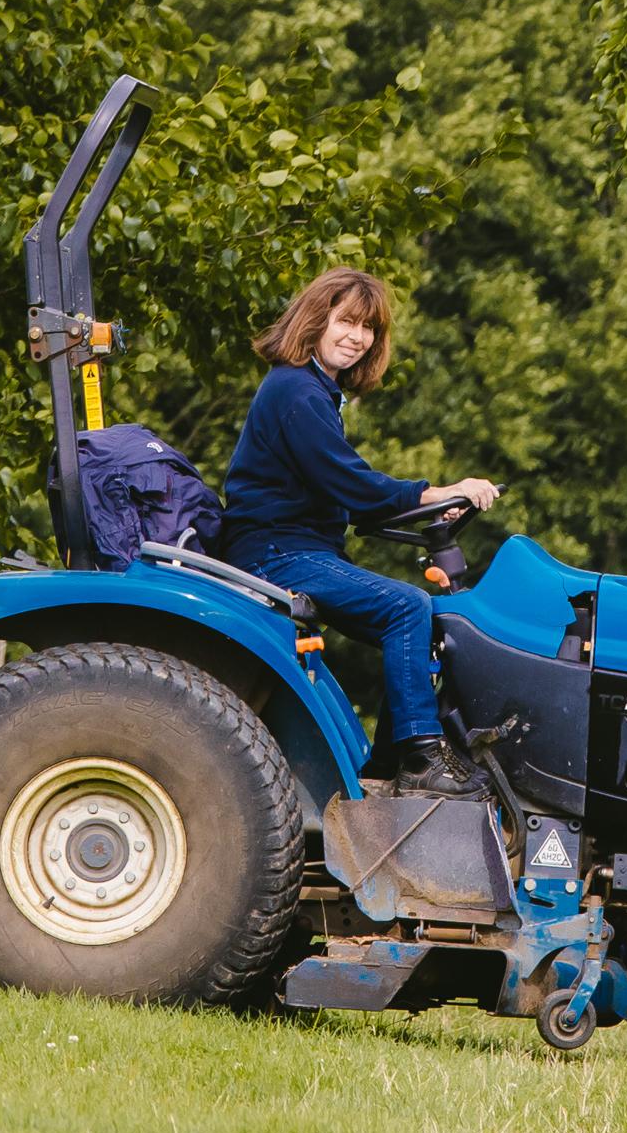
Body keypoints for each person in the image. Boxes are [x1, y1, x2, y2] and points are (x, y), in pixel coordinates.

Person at [214, 268, 501, 798]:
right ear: (316, 320)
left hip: (299, 546)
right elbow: (345, 478)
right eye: (346, 321)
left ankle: (386, 771)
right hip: (276, 553)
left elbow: (339, 489)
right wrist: (429, 493)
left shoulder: (316, 392)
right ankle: (420, 755)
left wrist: (412, 507)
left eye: (368, 328)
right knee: (407, 607)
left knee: (437, 624)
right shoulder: (296, 390)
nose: (357, 337)